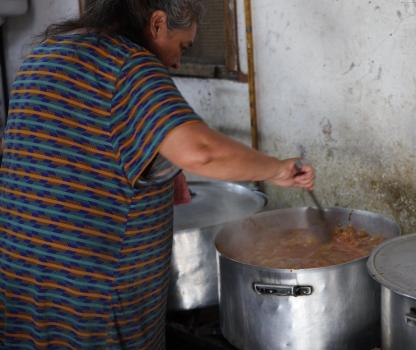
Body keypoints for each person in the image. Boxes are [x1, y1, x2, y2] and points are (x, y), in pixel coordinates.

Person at [0, 0, 314, 348]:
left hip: (20, 297)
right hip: (93, 314)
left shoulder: (45, 54)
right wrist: (277, 169)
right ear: (158, 23)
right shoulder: (129, 66)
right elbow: (202, 153)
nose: (177, 61)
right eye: (182, 46)